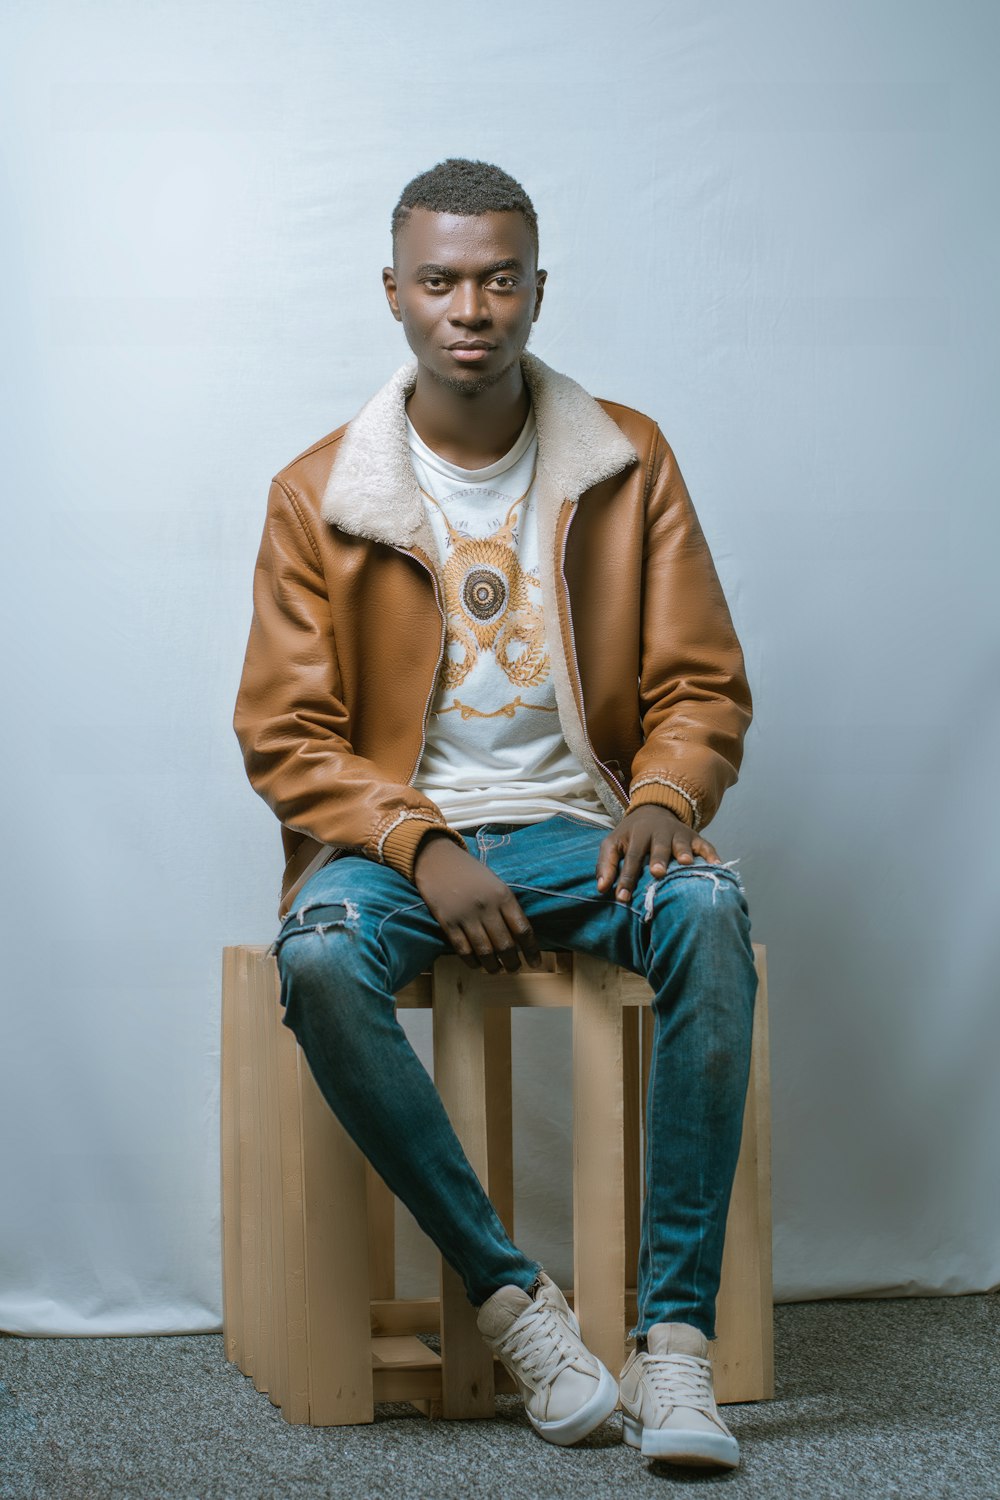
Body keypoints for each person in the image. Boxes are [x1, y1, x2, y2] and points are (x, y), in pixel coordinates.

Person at [233, 157, 757, 1470]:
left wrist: (661, 794)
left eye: (500, 278)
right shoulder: (319, 491)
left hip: (583, 826)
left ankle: (676, 1348)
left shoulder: (628, 461)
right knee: (318, 959)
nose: (473, 305)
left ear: (536, 289)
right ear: (397, 293)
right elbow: (284, 733)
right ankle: (517, 1305)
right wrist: (422, 842)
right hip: (398, 840)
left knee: (707, 905)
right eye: (442, 279)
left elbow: (702, 682)